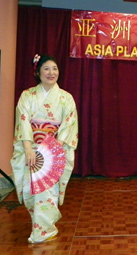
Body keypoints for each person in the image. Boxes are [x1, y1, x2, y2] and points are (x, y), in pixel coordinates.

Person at [11, 54, 78, 244]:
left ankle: (44, 230)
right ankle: (39, 223)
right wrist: (28, 148)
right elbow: (22, 121)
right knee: (30, 189)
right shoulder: (27, 95)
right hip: (30, 148)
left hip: (53, 150)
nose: (51, 72)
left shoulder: (66, 98)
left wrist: (53, 149)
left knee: (47, 190)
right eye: (46, 68)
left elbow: (69, 125)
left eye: (55, 68)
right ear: (38, 72)